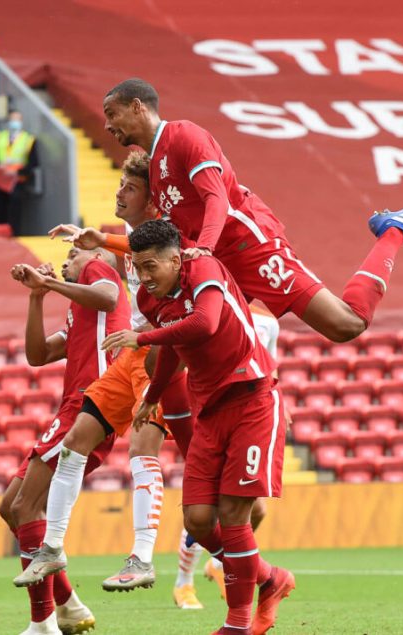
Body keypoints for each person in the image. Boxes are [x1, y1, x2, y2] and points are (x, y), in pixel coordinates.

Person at [89, 78, 403, 343]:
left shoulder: (185, 136)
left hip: (249, 246)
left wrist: (207, 247)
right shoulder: (155, 165)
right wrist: (105, 240)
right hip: (218, 262)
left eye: (111, 113)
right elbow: (171, 234)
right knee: (189, 346)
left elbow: (218, 199)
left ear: (137, 106)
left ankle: (394, 230)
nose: (106, 124)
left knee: (345, 325)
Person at [103, 220, 295, 635]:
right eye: (138, 267)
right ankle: (268, 579)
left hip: (251, 398)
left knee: (233, 513)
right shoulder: (150, 298)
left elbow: (205, 323)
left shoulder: (204, 271)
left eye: (152, 266)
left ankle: (237, 623)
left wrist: (142, 338)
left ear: (176, 259)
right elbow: (175, 347)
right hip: (208, 407)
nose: (145, 276)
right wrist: (153, 396)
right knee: (198, 520)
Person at [48, 151, 196, 594]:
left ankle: (144, 557)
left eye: (129, 188)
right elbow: (130, 247)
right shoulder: (134, 238)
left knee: (143, 449)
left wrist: (101, 242)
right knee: (74, 440)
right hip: (131, 351)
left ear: (152, 201)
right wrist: (97, 238)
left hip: (161, 351)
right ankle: (51, 546)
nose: (119, 192)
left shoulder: (173, 242)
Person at [0, 245, 130, 635]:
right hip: (72, 407)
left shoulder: (102, 278)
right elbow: (37, 355)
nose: (70, 258)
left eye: (76, 253)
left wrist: (51, 282)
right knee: (11, 507)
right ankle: (69, 605)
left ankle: (43, 625)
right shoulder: (79, 312)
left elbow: (107, 292)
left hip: (92, 403)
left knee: (26, 506)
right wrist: (38, 296)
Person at [173, 304, 280, 609]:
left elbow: (269, 364)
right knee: (204, 509)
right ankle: (184, 583)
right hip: (210, 415)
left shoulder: (267, 320)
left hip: (250, 416)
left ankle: (220, 563)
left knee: (256, 510)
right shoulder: (205, 309)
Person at [0, 109, 39, 235]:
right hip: (0, 180)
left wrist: (19, 172)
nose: (14, 123)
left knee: (14, 210)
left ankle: (14, 235)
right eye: (12, 119)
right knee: (0, 209)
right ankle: (1, 235)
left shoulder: (28, 139)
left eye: (17, 120)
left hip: (17, 180)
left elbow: (33, 162)